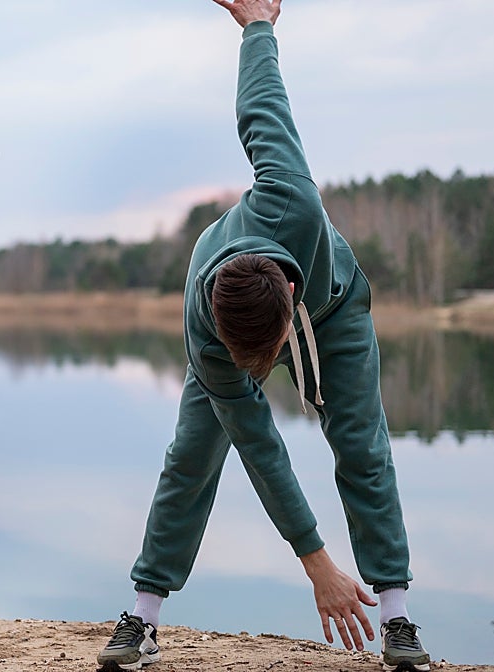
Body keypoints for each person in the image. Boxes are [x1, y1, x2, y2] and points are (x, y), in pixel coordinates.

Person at [96, 3, 430, 672]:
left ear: (290, 297)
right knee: (190, 457)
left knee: (362, 444)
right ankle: (143, 617)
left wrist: (258, 28)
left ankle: (396, 617)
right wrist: (316, 562)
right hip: (233, 337)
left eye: (271, 355)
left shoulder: (292, 200)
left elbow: (262, 110)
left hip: (336, 311)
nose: (268, 370)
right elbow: (262, 449)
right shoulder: (207, 335)